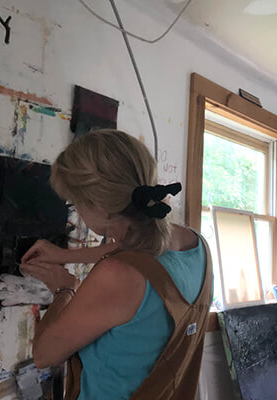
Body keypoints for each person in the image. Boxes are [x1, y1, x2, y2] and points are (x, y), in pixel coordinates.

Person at [20, 129, 212, 400]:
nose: (78, 213)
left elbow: (44, 355)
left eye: (75, 204)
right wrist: (64, 256)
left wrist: (64, 289)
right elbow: (135, 251)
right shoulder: (196, 244)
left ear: (100, 208)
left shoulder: (118, 276)